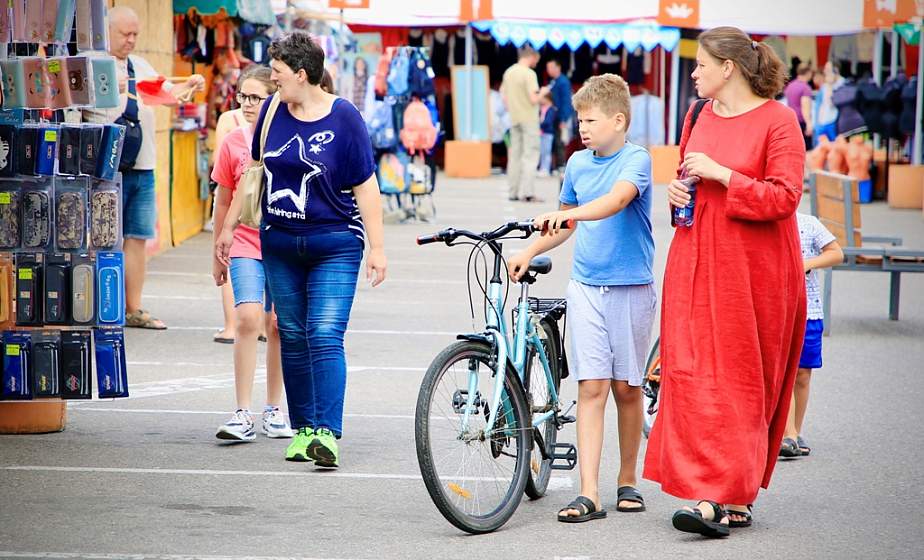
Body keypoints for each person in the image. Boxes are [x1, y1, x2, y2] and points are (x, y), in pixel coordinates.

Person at [643, 27, 807, 538]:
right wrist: (676, 193)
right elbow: (687, 184)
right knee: (692, 375)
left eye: (700, 64)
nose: (693, 73)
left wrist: (724, 175)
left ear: (728, 67)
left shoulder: (780, 122)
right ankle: (716, 491)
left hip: (754, 273)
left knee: (739, 383)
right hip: (694, 259)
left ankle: (721, 495)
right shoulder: (697, 116)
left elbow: (784, 199)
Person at [216, 31, 386, 469]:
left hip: (335, 243)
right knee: (291, 334)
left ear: (303, 74)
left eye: (278, 73)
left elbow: (366, 187)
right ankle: (305, 427)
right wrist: (228, 228)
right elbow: (253, 173)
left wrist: (377, 249)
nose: (272, 81)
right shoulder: (273, 111)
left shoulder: (344, 118)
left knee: (325, 333)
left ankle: (328, 434)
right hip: (280, 242)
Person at [507, 74, 655, 523]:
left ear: (619, 120)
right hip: (586, 286)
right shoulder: (577, 164)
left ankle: (627, 479)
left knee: (627, 390)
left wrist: (568, 212)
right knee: (591, 387)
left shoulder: (638, 160)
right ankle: (588, 492)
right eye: (579, 120)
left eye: (590, 120)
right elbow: (566, 225)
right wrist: (530, 249)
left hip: (631, 287)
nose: (582, 128)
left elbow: (615, 201)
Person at [83, 6, 205, 330]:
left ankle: (132, 307)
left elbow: (166, 93)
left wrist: (189, 85)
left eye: (135, 34)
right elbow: (73, 105)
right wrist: (110, 87)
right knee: (103, 238)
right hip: (105, 169)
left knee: (137, 237)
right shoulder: (89, 62)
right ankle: (99, 305)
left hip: (143, 165)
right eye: (125, 34)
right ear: (105, 32)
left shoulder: (141, 66)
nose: (132, 40)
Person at [211, 65, 292, 442]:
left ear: (273, 97)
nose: (246, 104)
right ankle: (242, 411)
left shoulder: (289, 137)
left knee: (276, 325)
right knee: (246, 319)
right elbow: (223, 197)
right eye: (242, 96)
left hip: (282, 242)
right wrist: (217, 250)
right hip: (244, 241)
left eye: (255, 97)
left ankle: (274, 408)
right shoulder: (232, 143)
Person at [780, 213, 843, 457]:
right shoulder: (765, 223)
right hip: (779, 311)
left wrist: (807, 264)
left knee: (803, 374)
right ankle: (788, 436)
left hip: (809, 310)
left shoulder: (808, 223)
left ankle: (796, 429)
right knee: (786, 372)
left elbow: (836, 253)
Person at [501, 46, 549, 202]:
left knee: (514, 155)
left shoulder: (509, 72)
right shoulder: (529, 74)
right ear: (532, 57)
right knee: (530, 155)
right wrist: (542, 92)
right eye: (536, 59)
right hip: (529, 118)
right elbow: (533, 99)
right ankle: (528, 192)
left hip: (514, 118)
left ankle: (512, 192)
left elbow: (504, 96)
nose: (536, 63)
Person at [546, 58, 574, 171]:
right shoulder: (553, 81)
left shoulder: (563, 82)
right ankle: (554, 165)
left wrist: (563, 119)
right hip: (554, 117)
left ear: (558, 67)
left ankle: (561, 164)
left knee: (560, 141)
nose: (549, 70)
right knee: (554, 141)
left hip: (561, 116)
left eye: (551, 67)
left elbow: (566, 102)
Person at [784, 63, 815, 150]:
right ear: (808, 73)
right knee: (807, 150)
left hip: (792, 121)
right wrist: (809, 123)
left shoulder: (790, 86)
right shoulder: (805, 88)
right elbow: (805, 107)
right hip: (802, 122)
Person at [812, 61, 843, 145]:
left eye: (827, 69)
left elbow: (831, 103)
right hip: (822, 123)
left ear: (835, 70)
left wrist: (829, 85)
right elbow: (820, 105)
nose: (825, 71)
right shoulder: (825, 86)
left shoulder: (842, 84)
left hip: (834, 123)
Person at [538, 91, 558, 176]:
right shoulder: (541, 108)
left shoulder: (551, 109)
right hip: (541, 133)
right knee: (542, 152)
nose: (540, 100)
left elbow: (548, 122)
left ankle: (546, 169)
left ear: (547, 99)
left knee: (546, 152)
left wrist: (539, 124)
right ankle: (542, 168)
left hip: (547, 133)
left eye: (542, 98)